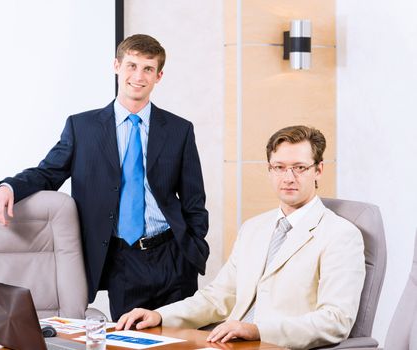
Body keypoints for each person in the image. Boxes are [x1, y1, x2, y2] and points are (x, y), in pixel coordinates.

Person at [0, 34, 209, 321]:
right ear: (116, 66)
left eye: (148, 69)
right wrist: (9, 188)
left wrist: (191, 249)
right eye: (131, 66)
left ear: (159, 76)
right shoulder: (83, 128)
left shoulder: (179, 130)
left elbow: (194, 200)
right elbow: (48, 173)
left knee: (181, 340)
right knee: (131, 338)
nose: (138, 76)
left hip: (172, 256)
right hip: (121, 258)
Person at [117, 125, 366, 350]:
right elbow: (218, 297)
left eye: (300, 168)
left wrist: (256, 331)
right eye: (279, 167)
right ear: (270, 169)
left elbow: (335, 320)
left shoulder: (340, 235)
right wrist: (159, 316)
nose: (288, 177)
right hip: (226, 344)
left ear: (318, 170)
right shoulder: (253, 229)